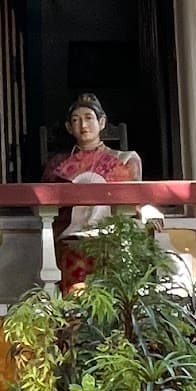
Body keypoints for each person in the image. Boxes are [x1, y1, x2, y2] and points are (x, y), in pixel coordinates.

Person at [43, 93, 142, 289]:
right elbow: (46, 203)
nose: (83, 125)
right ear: (69, 128)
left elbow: (136, 203)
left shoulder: (124, 159)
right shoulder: (57, 165)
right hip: (73, 238)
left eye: (89, 118)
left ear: (102, 122)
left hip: (111, 238)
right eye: (76, 120)